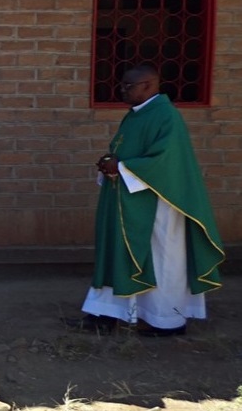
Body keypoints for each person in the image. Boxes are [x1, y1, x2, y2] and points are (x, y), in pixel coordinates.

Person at [66, 65, 225, 336]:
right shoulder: (137, 115)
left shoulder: (166, 116)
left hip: (161, 203)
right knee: (118, 252)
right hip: (129, 199)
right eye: (123, 84)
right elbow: (123, 150)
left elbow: (167, 161)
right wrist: (109, 163)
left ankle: (165, 321)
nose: (123, 90)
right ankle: (107, 314)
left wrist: (123, 167)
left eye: (130, 85)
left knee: (162, 259)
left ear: (149, 85)